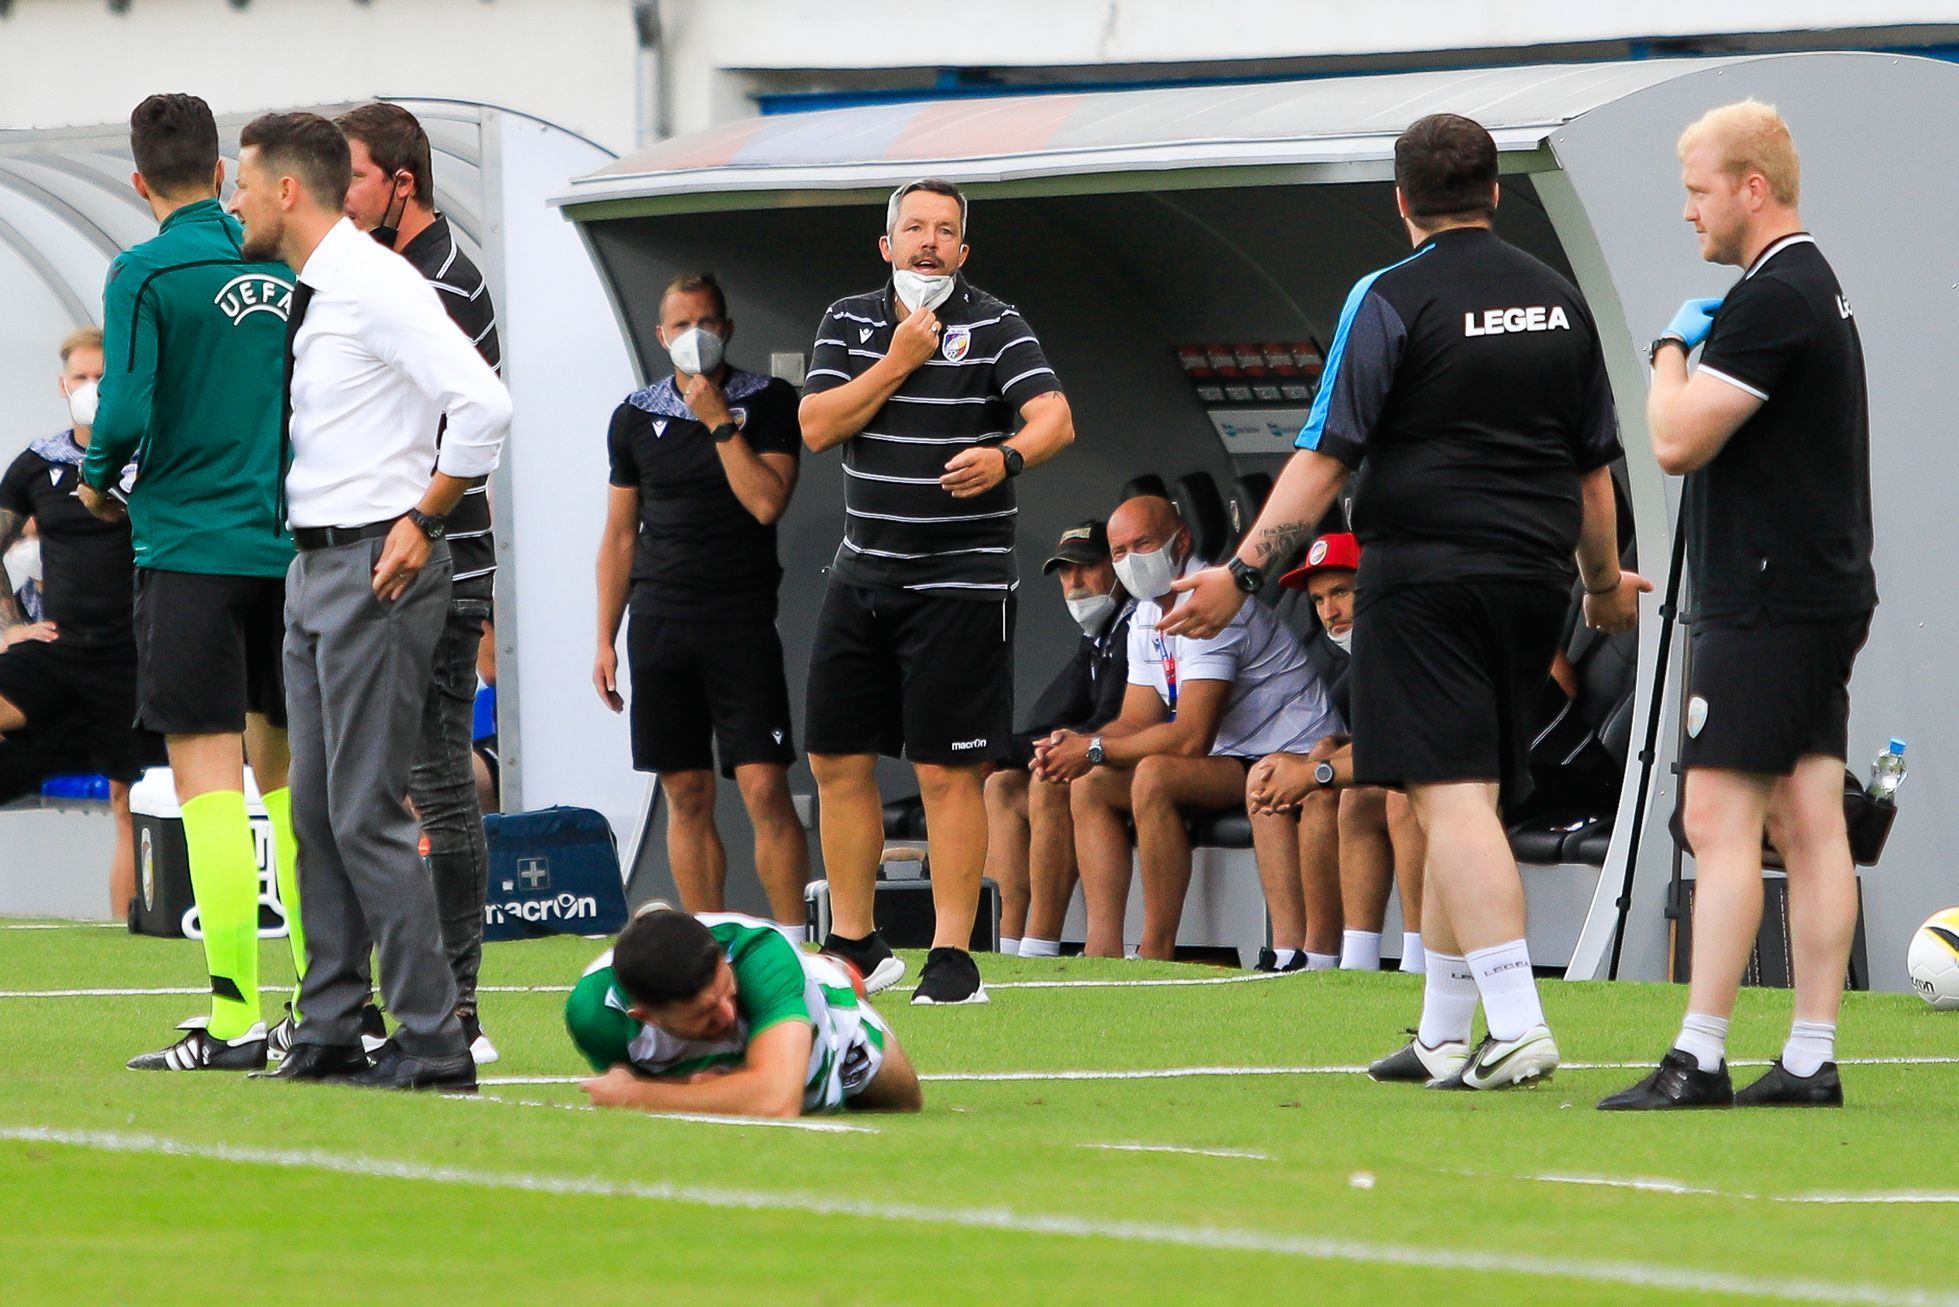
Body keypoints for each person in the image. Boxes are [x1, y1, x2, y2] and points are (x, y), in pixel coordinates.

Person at [1164, 113, 1644, 1090]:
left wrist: (1241, 575)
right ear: (1496, 192)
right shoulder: (1558, 298)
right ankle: (1442, 1029)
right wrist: (1599, 587)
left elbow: (1323, 456)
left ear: (1401, 201)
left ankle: (1517, 1020)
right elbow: (1597, 475)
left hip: (1424, 577)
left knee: (1451, 794)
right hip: (1531, 580)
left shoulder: (1386, 296)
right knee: (1442, 795)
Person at [1600, 101, 1875, 1111]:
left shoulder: (1774, 295)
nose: (1688, 212)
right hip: (1810, 588)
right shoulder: (1806, 283)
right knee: (1809, 818)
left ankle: (1700, 1053)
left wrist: (1669, 353)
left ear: (1751, 188)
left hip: (1766, 596)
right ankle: (1809, 1054)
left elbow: (1674, 439)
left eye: (1698, 189)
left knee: (1715, 816)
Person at [231, 110, 510, 1092]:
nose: (235, 201)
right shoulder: (325, 285)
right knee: (313, 806)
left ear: (287, 193)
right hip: (313, 567)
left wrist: (424, 517)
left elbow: (485, 406)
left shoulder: (379, 284)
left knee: (363, 810)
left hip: (373, 568)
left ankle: (435, 1039)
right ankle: (332, 1028)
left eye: (245, 184)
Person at [799, 178, 1075, 1004]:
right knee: (834, 760)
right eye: (912, 228)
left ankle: (951, 956)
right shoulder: (849, 319)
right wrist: (898, 360)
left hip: (959, 581)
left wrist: (1008, 457)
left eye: (944, 231)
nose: (927, 242)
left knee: (946, 773)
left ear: (962, 251)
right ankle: (855, 941)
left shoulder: (995, 322)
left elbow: (1054, 417)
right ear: (885, 246)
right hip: (861, 575)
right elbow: (816, 426)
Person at [76, 94, 301, 1072]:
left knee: (209, 776)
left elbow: (120, 409)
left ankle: (238, 1014)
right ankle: (331, 1001)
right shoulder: (281, 260)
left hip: (187, 546)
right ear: (220, 172)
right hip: (290, 548)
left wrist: (93, 480)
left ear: (138, 183)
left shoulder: (143, 271)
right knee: (292, 781)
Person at [336, 101, 504, 1064]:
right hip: (384, 558)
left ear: (401, 183)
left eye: (351, 177)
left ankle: (457, 1008)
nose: (337, 195)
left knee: (436, 783)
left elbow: (468, 430)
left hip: (435, 560)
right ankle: (366, 1001)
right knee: (371, 784)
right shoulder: (383, 269)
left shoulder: (442, 277)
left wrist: (419, 525)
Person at [595, 271, 809, 930]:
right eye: (681, 325)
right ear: (661, 336)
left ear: (727, 328)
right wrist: (603, 636)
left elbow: (766, 500)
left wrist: (718, 421)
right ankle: (707, 946)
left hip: (738, 620)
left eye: (707, 322)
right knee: (684, 790)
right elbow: (620, 535)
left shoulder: (768, 400)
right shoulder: (635, 415)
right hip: (659, 622)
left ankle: (795, 945)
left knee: (763, 785)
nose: (695, 336)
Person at [1039, 495, 1341, 961]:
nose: (1129, 561)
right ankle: (1103, 950)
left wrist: (1096, 748)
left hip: (1291, 749)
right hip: (1232, 755)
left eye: (1142, 545)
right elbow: (1137, 719)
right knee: (1091, 786)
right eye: (1118, 553)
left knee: (1155, 775)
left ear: (1180, 541)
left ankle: (1156, 949)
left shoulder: (1211, 601)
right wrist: (1079, 746)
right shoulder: (1144, 611)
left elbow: (1190, 737)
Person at [0, 328, 165, 914]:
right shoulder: (37, 463)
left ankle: (136, 938)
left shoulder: (158, 454)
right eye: (82, 378)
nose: (91, 388)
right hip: (60, 648)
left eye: (103, 377)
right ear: (63, 384)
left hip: (136, 655)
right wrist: (11, 625)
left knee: (129, 803)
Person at [1255, 532, 1427, 973]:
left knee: (1403, 791)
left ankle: (1419, 961)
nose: (1330, 613)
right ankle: (1347, 963)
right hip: (1461, 767)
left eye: (1341, 593)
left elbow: (1407, 754)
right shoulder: (1370, 654)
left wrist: (1315, 773)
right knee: (1351, 790)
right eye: (1317, 601)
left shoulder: (1411, 637)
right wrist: (1323, 762)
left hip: (1548, 770)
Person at [567, 905, 922, 1118]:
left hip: (831, 1021)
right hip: (750, 1043)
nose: (727, 1013)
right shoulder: (595, 1016)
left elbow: (777, 1100)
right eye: (707, 1014)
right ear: (646, 1017)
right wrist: (712, 1091)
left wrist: (637, 1096)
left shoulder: (761, 954)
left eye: (727, 992)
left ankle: (828, 971)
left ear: (723, 959)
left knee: (902, 1101)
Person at [983, 520, 1132, 957]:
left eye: (1086, 568)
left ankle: (1040, 942)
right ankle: (1004, 941)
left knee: (1050, 779)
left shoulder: (1136, 623)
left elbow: (1112, 718)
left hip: (1135, 762)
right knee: (1001, 784)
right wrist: (1000, 749)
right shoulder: (1096, 635)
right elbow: (1056, 717)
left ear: (1118, 567)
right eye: (1066, 572)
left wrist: (1049, 750)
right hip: (1099, 759)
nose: (1075, 582)